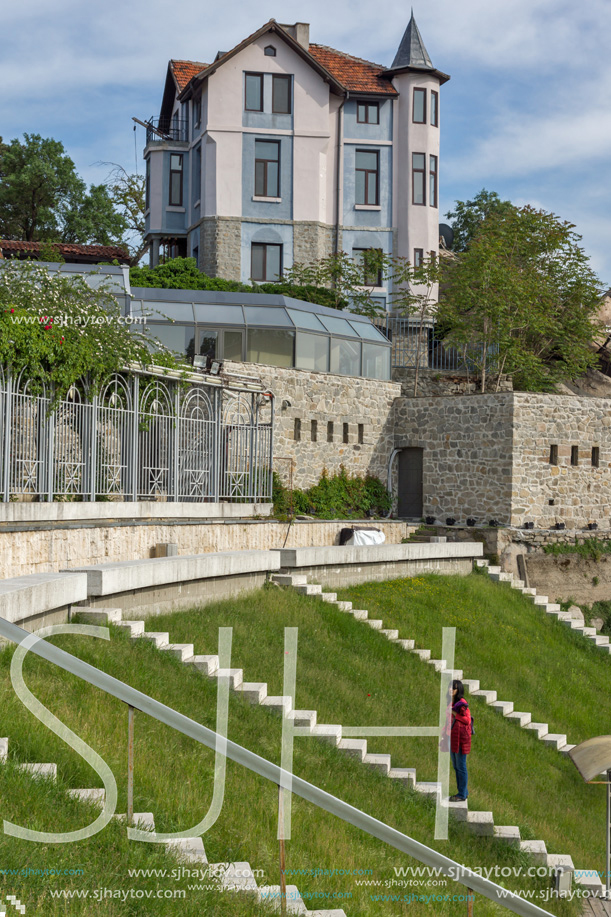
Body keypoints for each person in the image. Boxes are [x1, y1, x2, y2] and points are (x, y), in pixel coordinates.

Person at [443, 679, 472, 802]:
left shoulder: (462, 704)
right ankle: (463, 791)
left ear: (458, 690)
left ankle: (461, 794)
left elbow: (467, 720)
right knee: (456, 765)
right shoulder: (451, 702)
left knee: (461, 766)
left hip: (460, 739)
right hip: (452, 737)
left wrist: (454, 712)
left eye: (454, 688)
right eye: (450, 687)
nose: (451, 690)